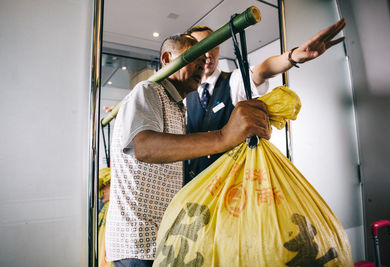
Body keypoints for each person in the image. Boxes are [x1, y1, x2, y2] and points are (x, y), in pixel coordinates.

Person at [105, 34, 270, 267]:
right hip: (138, 242)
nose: (202, 65)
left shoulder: (178, 107)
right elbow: (144, 146)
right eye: (193, 58)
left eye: (204, 61)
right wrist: (224, 136)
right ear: (166, 58)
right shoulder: (147, 90)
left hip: (162, 238)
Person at [184, 18, 346, 182]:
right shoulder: (187, 94)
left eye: (212, 45)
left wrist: (292, 56)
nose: (208, 54)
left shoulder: (234, 80)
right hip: (196, 182)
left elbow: (262, 70)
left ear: (218, 47)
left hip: (231, 181)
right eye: (201, 47)